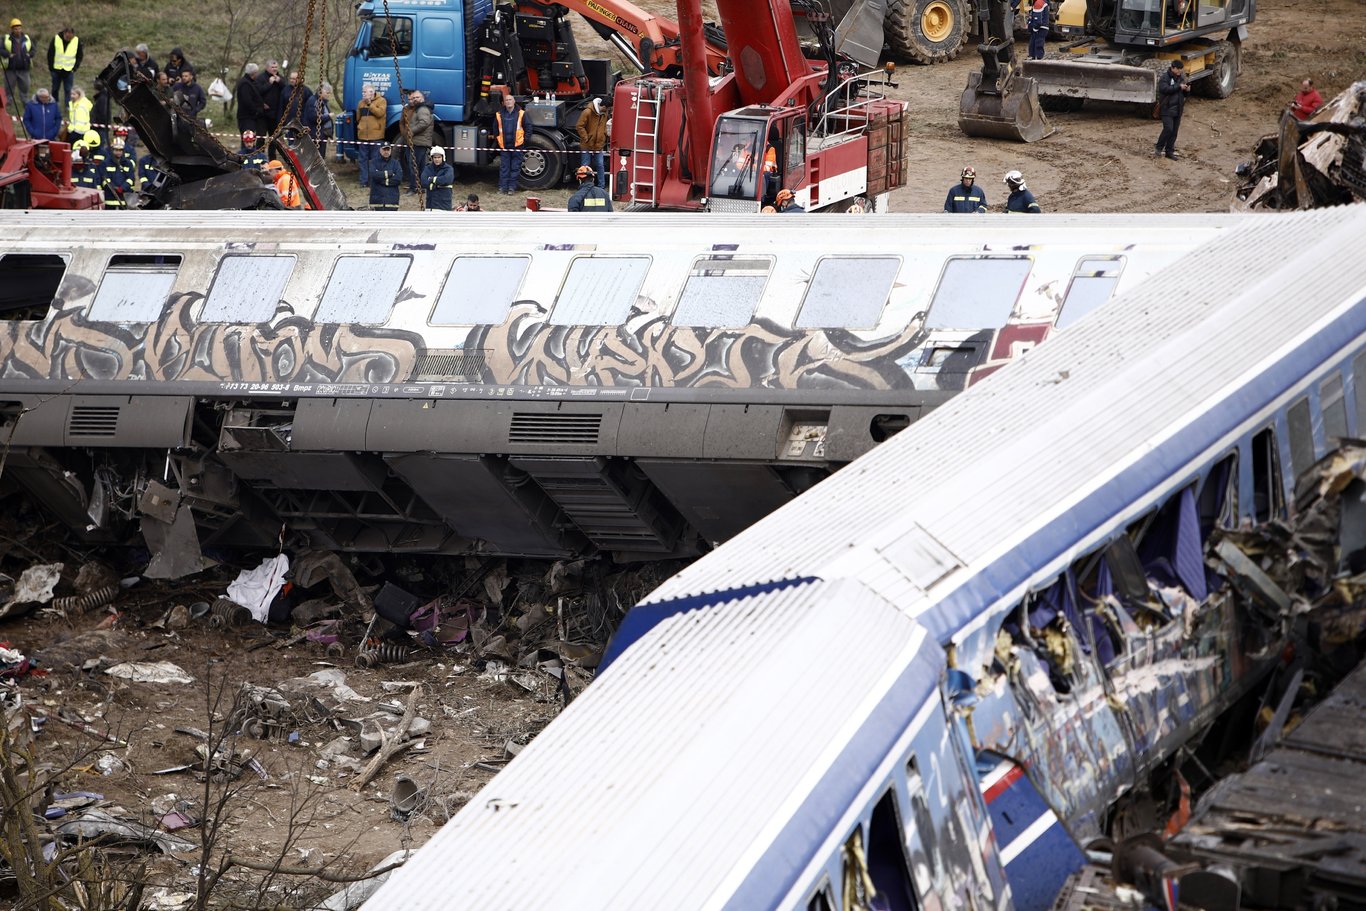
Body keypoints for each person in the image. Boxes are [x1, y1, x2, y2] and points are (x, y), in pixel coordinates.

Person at [1154, 59, 1189, 160]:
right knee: (1168, 128)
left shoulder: (1181, 78)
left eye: (1181, 70)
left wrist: (1187, 90)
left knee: (1174, 132)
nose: (1179, 72)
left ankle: (1169, 151)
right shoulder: (1165, 77)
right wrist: (1178, 86)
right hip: (1167, 108)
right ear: (1173, 68)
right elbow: (1164, 89)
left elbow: (1183, 93)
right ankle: (1158, 148)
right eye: (1178, 69)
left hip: (1178, 109)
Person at [355, 83, 387, 188]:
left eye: (365, 92)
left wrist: (370, 105)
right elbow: (358, 117)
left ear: (372, 92)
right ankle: (363, 182)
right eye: (363, 92)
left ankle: (374, 181)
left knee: (375, 160)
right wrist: (360, 126)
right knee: (362, 160)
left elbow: (380, 113)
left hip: (376, 136)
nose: (363, 94)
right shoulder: (360, 103)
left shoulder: (382, 101)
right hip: (363, 136)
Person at [402, 89, 433, 192]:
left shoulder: (422, 109)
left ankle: (413, 188)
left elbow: (424, 123)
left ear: (423, 98)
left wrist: (411, 131)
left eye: (417, 97)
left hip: (419, 142)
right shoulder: (419, 108)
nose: (415, 99)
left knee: (413, 166)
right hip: (417, 141)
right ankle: (421, 187)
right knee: (420, 166)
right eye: (413, 98)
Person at [494, 92, 524, 195]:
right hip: (505, 146)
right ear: (504, 103)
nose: (508, 101)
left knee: (515, 168)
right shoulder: (499, 114)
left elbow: (528, 128)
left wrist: (523, 141)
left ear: (514, 101)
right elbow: (495, 129)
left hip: (517, 146)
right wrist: (498, 139)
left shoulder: (521, 113)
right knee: (504, 168)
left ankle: (511, 188)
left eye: (510, 99)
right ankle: (502, 188)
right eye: (506, 100)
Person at [47, 26, 82, 114]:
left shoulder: (76, 41)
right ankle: (54, 104)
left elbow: (79, 56)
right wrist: (51, 68)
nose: (68, 39)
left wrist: (75, 68)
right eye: (67, 37)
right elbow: (50, 54)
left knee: (68, 90)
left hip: (69, 71)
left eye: (70, 37)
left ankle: (68, 106)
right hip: (56, 70)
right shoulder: (56, 39)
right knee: (55, 88)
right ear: (64, 34)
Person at [576, 96, 609, 189]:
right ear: (604, 107)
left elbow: (604, 126)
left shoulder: (604, 113)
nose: (608, 111)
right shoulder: (587, 112)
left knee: (600, 165)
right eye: (608, 108)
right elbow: (579, 126)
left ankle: (601, 186)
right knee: (585, 166)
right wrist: (586, 138)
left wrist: (605, 134)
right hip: (587, 145)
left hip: (598, 144)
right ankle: (583, 186)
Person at [2, 19, 34, 103]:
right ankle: (9, 100)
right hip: (10, 68)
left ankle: (25, 100)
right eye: (16, 29)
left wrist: (29, 55)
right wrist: (8, 55)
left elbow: (33, 50)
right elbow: (0, 50)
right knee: (9, 86)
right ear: (12, 29)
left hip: (24, 67)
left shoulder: (27, 38)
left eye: (19, 28)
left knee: (25, 86)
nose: (18, 30)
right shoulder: (6, 39)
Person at [100, 138, 138, 208]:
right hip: (109, 200)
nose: (118, 152)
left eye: (120, 150)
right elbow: (105, 179)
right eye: (116, 150)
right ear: (112, 150)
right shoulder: (105, 163)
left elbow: (131, 178)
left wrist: (123, 188)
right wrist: (114, 188)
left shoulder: (128, 164)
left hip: (125, 199)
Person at [369, 142, 404, 211]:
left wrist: (381, 178)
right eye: (384, 149)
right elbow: (373, 175)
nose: (386, 152)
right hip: (376, 201)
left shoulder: (396, 163)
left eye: (388, 149)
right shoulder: (373, 162)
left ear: (391, 150)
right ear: (380, 150)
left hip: (392, 200)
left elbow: (398, 179)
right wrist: (389, 174)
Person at [255, 60, 284, 134]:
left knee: (274, 137)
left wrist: (280, 82)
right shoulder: (260, 78)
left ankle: (273, 146)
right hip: (263, 113)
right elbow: (257, 92)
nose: (274, 69)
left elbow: (286, 90)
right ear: (267, 68)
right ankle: (260, 146)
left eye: (276, 67)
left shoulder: (280, 78)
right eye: (272, 67)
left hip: (276, 114)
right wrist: (269, 83)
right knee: (261, 137)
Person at [236, 63, 264, 134]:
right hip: (247, 118)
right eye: (257, 72)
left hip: (250, 117)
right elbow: (247, 101)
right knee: (247, 140)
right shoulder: (245, 84)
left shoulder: (249, 82)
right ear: (253, 73)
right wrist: (256, 111)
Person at [314, 83, 335, 156]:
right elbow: (315, 118)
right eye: (327, 93)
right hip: (317, 134)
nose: (328, 95)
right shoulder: (315, 102)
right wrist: (328, 116)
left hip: (323, 134)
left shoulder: (324, 102)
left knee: (322, 155)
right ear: (320, 91)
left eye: (329, 93)